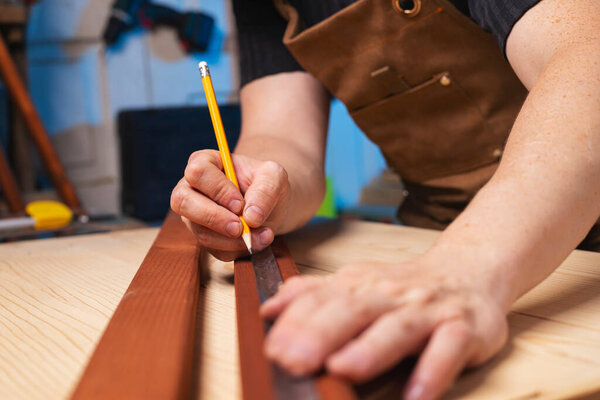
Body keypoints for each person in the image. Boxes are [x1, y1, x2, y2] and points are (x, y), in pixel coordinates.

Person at [170, 0, 600, 398]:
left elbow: (588, 58)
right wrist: (258, 185)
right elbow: (283, 137)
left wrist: (463, 268)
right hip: (435, 236)